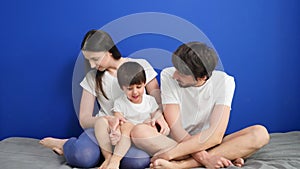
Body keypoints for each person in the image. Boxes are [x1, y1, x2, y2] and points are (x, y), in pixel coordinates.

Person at [39, 29, 169, 168]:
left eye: (95, 59)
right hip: (103, 131)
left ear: (109, 51)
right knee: (83, 156)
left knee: (137, 162)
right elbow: (84, 119)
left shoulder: (140, 66)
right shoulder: (92, 78)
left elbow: (158, 101)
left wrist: (159, 116)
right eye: (88, 60)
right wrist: (109, 120)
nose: (92, 65)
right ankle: (66, 145)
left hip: (132, 133)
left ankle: (108, 157)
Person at [130, 42, 270, 169]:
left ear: (201, 78)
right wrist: (206, 158)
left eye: (182, 73)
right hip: (177, 140)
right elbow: (175, 127)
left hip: (207, 142)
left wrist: (170, 154)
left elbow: (216, 135)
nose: (175, 76)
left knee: (260, 133)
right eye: (176, 69)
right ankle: (227, 154)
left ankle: (181, 165)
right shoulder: (168, 75)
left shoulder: (225, 82)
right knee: (139, 132)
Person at [95, 61, 169, 169]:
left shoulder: (150, 101)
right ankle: (109, 158)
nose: (135, 92)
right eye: (129, 89)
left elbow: (157, 116)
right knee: (105, 123)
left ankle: (115, 160)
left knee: (133, 126)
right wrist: (115, 132)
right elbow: (118, 118)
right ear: (122, 88)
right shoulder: (120, 102)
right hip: (124, 140)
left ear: (144, 84)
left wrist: (155, 121)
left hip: (141, 137)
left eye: (139, 87)